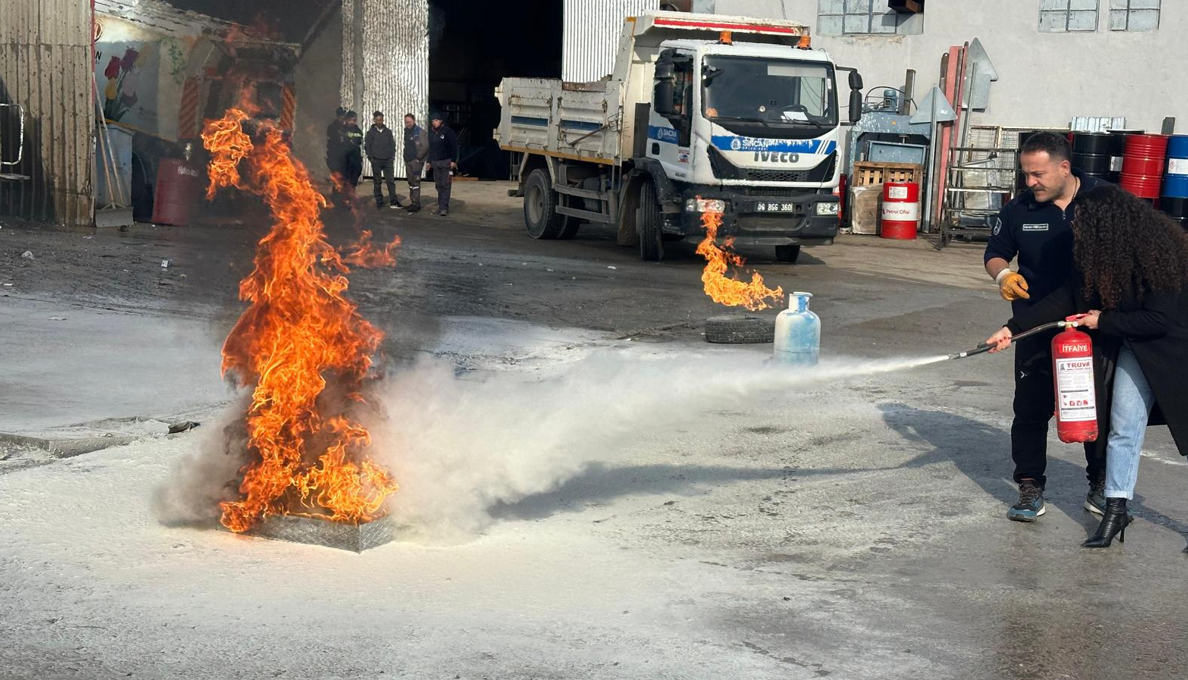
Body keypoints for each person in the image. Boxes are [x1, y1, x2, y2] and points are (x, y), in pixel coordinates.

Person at [986, 186, 1188, 549]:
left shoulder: (1162, 254)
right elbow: (1065, 298)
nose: (1077, 230)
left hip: (1176, 349)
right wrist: (1012, 329)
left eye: (1085, 224)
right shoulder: (1097, 255)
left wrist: (1102, 320)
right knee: (1123, 427)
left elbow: (1159, 318)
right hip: (1136, 346)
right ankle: (1115, 510)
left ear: (1108, 225)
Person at [983, 131, 1108, 523]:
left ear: (1064, 167)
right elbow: (995, 253)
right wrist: (1002, 274)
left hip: (1092, 326)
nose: (1030, 182)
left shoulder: (1102, 202)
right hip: (1033, 324)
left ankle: (1101, 484)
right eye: (1025, 174)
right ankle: (1030, 485)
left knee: (1095, 408)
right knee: (1031, 409)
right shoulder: (1019, 209)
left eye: (1037, 174)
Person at [364, 111, 401, 210]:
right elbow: (367, 146)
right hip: (376, 161)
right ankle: (379, 202)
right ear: (374, 120)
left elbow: (392, 144)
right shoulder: (370, 133)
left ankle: (394, 201)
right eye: (378, 120)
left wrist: (392, 156)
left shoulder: (388, 132)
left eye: (381, 120)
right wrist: (371, 158)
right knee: (377, 182)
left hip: (387, 160)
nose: (380, 122)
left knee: (390, 182)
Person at [427, 111, 458, 217]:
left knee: (446, 185)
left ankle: (444, 207)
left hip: (446, 162)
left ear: (441, 121)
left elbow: (454, 147)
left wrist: (453, 160)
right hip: (435, 162)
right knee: (439, 185)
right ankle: (440, 206)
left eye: (436, 120)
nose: (434, 123)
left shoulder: (448, 132)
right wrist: (429, 161)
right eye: (432, 121)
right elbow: (431, 149)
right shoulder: (432, 133)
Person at [402, 113, 430, 213]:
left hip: (416, 162)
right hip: (408, 161)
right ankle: (413, 201)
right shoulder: (407, 131)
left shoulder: (419, 132)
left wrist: (418, 158)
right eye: (406, 122)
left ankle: (416, 204)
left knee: (415, 182)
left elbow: (425, 146)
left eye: (409, 122)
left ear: (414, 121)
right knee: (410, 182)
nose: (407, 124)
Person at [326, 107, 347, 197]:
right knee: (336, 175)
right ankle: (336, 194)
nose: (342, 120)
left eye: (344, 118)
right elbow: (332, 141)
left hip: (344, 156)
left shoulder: (346, 127)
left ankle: (343, 194)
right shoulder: (332, 127)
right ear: (338, 117)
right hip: (334, 155)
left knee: (344, 177)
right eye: (341, 118)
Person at [342, 111, 364, 198]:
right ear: (347, 120)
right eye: (350, 120)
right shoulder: (342, 129)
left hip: (355, 159)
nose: (352, 122)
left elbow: (359, 140)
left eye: (354, 120)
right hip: (345, 159)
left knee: (353, 180)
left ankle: (351, 197)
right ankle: (344, 198)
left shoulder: (357, 130)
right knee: (345, 181)